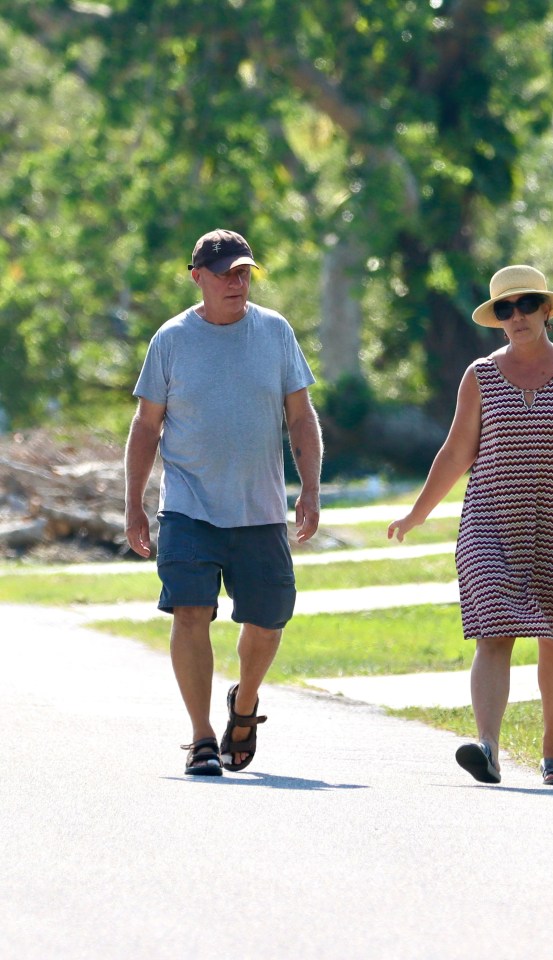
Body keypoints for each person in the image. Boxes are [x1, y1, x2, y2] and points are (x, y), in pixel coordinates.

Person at [387, 265, 553, 786]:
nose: (517, 317)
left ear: (547, 310)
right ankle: (487, 747)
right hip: (490, 522)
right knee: (493, 629)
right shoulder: (480, 375)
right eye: (505, 309)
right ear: (497, 320)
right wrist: (417, 512)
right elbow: (456, 451)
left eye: (526, 304)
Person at [124, 228, 322, 776]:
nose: (237, 282)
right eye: (225, 273)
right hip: (188, 504)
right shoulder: (171, 339)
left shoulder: (275, 332)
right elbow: (146, 426)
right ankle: (202, 737)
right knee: (191, 611)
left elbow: (300, 415)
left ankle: (244, 702)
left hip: (260, 508)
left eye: (244, 273)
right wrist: (134, 503)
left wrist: (309, 487)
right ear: (198, 278)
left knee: (269, 619)